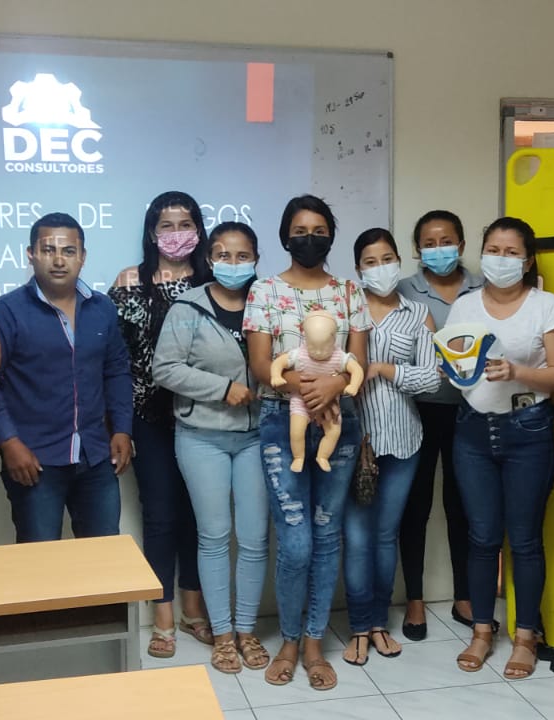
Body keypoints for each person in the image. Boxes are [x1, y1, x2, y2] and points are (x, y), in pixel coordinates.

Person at [244, 195, 370, 691]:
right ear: (285, 237)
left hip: (340, 421)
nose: (310, 238)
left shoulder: (349, 291)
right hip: (283, 422)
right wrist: (308, 389)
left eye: (319, 230)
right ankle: (290, 640)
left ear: (331, 236)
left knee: (325, 535)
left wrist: (334, 386)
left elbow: (358, 361)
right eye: (300, 230)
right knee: (295, 543)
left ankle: (315, 643)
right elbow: (261, 365)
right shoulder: (264, 291)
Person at [445, 217, 554, 680]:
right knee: (481, 538)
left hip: (528, 429)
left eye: (511, 252)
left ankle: (526, 636)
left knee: (524, 540)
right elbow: (454, 361)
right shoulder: (464, 305)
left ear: (528, 260)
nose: (501, 259)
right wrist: (452, 371)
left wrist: (516, 372)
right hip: (473, 431)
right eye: (493, 250)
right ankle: (482, 631)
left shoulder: (547, 306)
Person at [153, 221, 270, 674]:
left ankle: (247, 630)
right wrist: (222, 389)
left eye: (243, 256)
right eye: (223, 255)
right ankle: (222, 635)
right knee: (215, 535)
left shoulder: (269, 301)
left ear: (256, 259)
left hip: (258, 436)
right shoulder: (188, 307)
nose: (233, 263)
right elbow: (166, 368)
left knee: (255, 538)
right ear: (209, 258)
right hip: (202, 436)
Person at [0, 213, 133, 543]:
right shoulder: (6, 311)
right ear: (31, 254)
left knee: (104, 558)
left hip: (95, 456)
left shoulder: (102, 308)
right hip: (34, 460)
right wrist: (8, 442)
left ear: (83, 256)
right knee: (40, 562)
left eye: (69, 251)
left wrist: (122, 428)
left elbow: (116, 370)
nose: (59, 260)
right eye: (48, 250)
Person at [111, 191, 212, 657]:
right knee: (160, 515)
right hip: (149, 417)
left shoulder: (214, 279)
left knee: (198, 514)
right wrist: (119, 423)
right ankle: (163, 614)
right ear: (152, 232)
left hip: (207, 416)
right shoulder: (130, 281)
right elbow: (116, 358)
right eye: (166, 225)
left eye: (185, 224)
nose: (176, 234)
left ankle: (194, 609)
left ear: (199, 230)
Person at [341, 228, 440, 666]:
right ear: (358, 269)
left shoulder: (418, 313)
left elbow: (432, 378)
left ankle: (379, 623)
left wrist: (384, 369)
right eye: (370, 262)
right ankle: (358, 627)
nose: (380, 268)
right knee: (356, 537)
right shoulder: (345, 309)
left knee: (384, 536)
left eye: (386, 259)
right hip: (351, 441)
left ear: (399, 261)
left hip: (403, 440)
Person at [396, 209, 482, 639]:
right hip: (416, 410)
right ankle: (414, 599)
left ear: (461, 245)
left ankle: (464, 595)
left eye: (446, 241)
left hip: (471, 411)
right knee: (415, 506)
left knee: (462, 505)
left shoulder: (484, 287)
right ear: (417, 250)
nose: (438, 249)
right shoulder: (402, 290)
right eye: (428, 243)